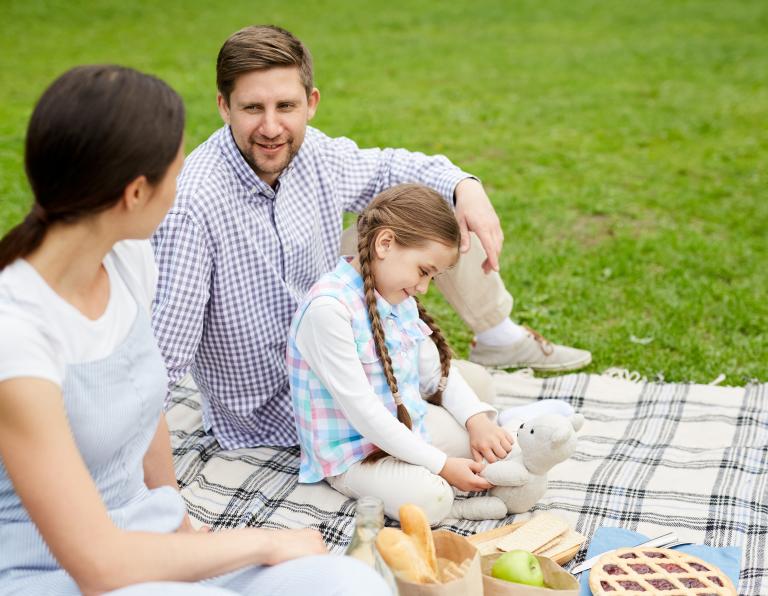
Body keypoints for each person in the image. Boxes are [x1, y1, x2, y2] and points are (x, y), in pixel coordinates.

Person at [0, 65, 388, 596]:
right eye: (176, 173)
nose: (186, 185)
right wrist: (266, 542)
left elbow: (147, 395)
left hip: (148, 542)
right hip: (53, 574)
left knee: (350, 584)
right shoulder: (16, 332)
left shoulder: (127, 258)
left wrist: (175, 517)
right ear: (136, 193)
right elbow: (97, 565)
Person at [151, 24, 590, 450]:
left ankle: (498, 337)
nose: (270, 127)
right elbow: (165, 353)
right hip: (284, 405)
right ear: (224, 106)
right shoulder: (191, 205)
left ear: (311, 103)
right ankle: (520, 431)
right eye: (252, 109)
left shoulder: (313, 152)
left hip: (349, 347)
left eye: (285, 106)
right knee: (463, 428)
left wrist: (464, 186)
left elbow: (387, 169)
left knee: (434, 221)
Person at [287, 184, 575, 524]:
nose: (424, 287)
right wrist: (440, 465)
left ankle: (505, 424)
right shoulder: (329, 310)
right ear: (385, 243)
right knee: (431, 497)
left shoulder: (395, 296)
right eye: (424, 271)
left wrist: (475, 421)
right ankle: (453, 504)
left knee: (490, 449)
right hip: (355, 455)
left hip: (409, 424)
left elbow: (436, 371)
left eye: (432, 276)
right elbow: (365, 414)